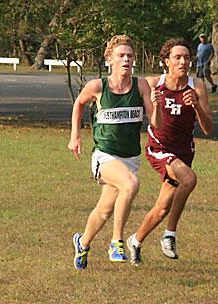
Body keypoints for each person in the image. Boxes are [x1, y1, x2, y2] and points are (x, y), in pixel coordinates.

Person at [67, 35, 161, 270]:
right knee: (131, 184)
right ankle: (116, 242)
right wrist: (75, 136)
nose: (126, 59)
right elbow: (78, 104)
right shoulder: (98, 86)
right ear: (110, 59)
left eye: (130, 56)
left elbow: (156, 123)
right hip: (104, 155)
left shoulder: (141, 86)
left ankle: (83, 242)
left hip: (130, 156)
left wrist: (156, 104)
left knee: (105, 209)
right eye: (121, 55)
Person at [126, 38, 213, 266]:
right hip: (159, 149)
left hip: (184, 152)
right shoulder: (154, 83)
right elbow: (141, 115)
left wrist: (195, 105)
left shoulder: (198, 86)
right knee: (189, 179)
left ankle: (135, 240)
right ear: (166, 61)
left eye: (186, 57)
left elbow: (208, 128)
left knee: (163, 206)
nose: (183, 61)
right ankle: (170, 235)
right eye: (177, 57)